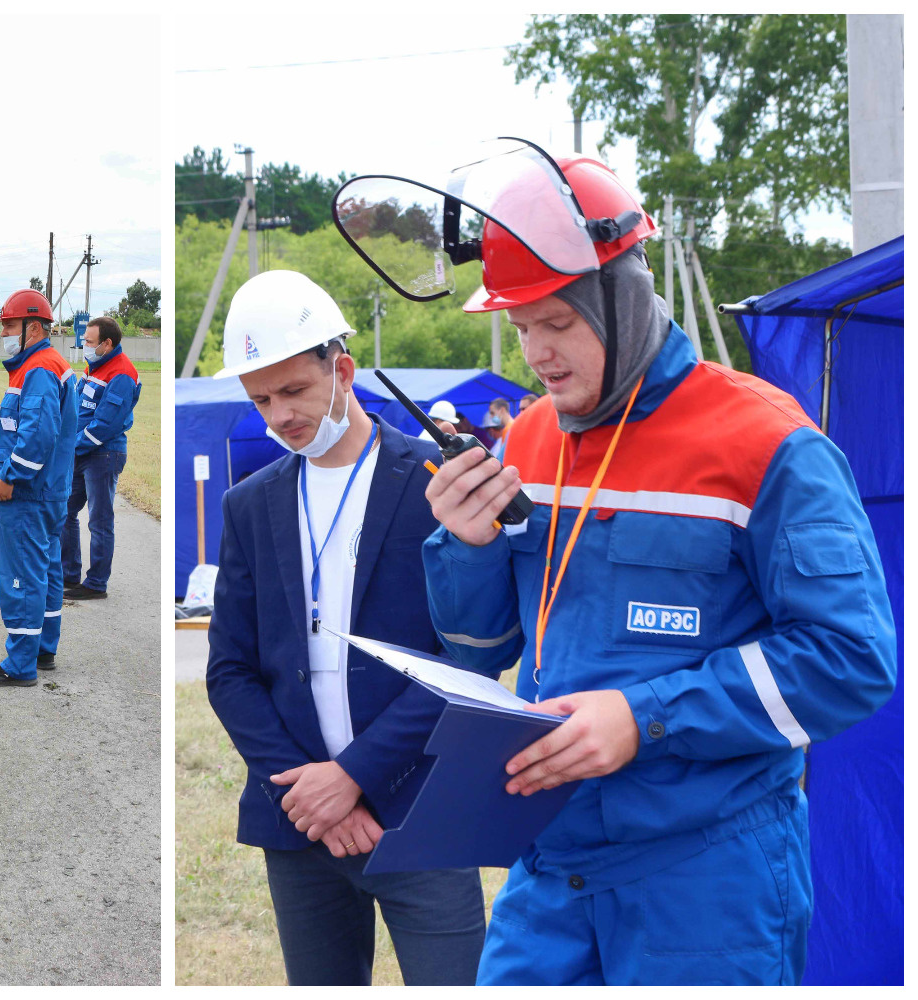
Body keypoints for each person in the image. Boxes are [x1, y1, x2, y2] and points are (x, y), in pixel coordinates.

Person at [354, 148, 896, 985]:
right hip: (547, 866)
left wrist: (646, 718)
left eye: (557, 324)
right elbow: (481, 644)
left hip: (709, 880)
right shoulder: (530, 438)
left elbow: (852, 660)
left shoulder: (766, 442)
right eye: (521, 326)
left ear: (627, 292)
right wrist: (466, 545)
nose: (536, 353)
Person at [204, 270, 484, 986]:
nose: (279, 415)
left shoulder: (433, 480)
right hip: (298, 823)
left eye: (293, 391)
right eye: (260, 399)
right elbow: (230, 670)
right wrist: (312, 796)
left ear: (344, 369)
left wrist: (354, 778)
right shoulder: (249, 504)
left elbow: (463, 659)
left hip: (421, 810)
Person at [0, 289, 77, 688]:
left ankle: (20, 664)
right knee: (47, 572)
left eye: (9, 325)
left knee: (22, 575)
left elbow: (37, 435)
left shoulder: (38, 369)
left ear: (33, 328)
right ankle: (43, 648)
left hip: (28, 493)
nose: (3, 332)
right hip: (50, 491)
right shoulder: (45, 365)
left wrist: (8, 477)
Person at [61, 315, 141, 600]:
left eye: (90, 342)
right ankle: (68, 574)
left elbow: (104, 425)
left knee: (100, 521)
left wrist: (70, 447)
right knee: (65, 511)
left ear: (107, 343)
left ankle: (96, 584)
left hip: (103, 455)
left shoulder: (121, 374)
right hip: (82, 452)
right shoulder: (95, 365)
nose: (85, 345)